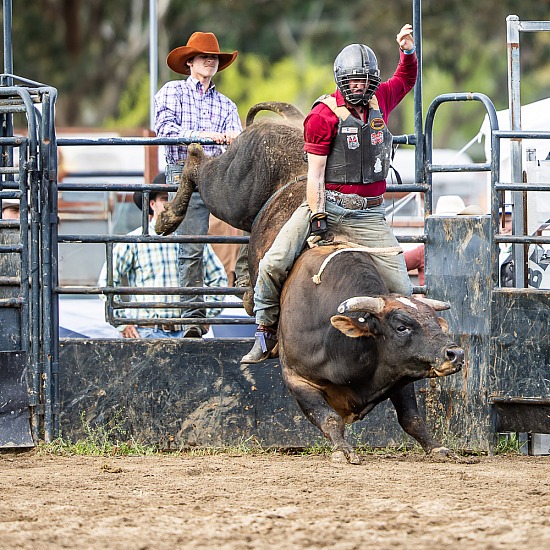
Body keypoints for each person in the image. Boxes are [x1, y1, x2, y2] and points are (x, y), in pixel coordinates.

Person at [242, 24, 417, 364]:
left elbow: (406, 79)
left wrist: (408, 51)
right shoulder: (322, 116)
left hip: (369, 214)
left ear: (372, 82)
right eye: (353, 81)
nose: (359, 87)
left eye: (365, 81)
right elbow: (316, 175)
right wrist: (318, 217)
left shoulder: (380, 99)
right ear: (341, 80)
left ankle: (397, 354)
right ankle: (264, 329)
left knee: (404, 288)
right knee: (273, 262)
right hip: (331, 205)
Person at [154, 32, 242, 338]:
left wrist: (231, 141)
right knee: (190, 247)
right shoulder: (171, 92)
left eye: (214, 57)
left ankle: (249, 294)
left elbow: (237, 141)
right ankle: (193, 317)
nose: (210, 61)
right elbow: (165, 130)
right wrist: (206, 136)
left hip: (218, 173)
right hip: (183, 174)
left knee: (249, 224)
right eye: (205, 56)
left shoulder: (227, 104)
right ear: (189, 62)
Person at [98, 174, 228, 339]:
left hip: (185, 330)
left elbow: (219, 279)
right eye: (164, 198)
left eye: (174, 198)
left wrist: (204, 315)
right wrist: (123, 322)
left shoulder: (192, 240)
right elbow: (106, 282)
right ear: (152, 204)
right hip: (147, 330)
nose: (170, 203)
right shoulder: (134, 240)